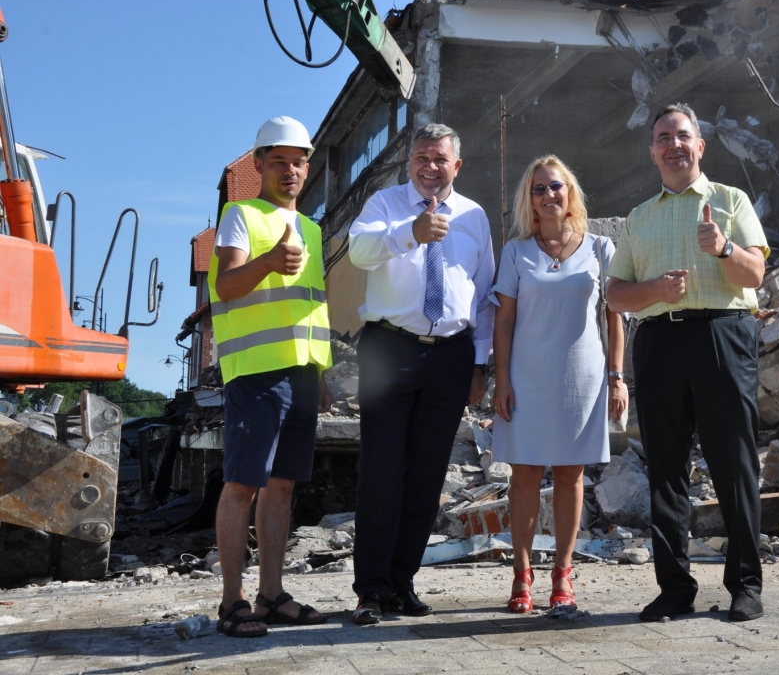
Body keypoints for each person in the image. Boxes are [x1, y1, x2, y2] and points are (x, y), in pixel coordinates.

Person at [606, 104, 768, 622]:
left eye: (682, 136)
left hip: (723, 335)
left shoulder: (730, 200)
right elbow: (615, 294)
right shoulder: (639, 217)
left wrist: (723, 248)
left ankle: (745, 585)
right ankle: (675, 589)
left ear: (700, 146)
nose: (673, 145)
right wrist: (655, 289)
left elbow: (755, 275)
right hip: (658, 342)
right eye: (663, 138)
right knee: (666, 470)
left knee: (734, 464)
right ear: (652, 152)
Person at [347, 123, 495, 625]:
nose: (430, 167)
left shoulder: (474, 216)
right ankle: (370, 589)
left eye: (439, 159)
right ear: (409, 162)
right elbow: (359, 252)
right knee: (382, 471)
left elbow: (484, 294)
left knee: (427, 475)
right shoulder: (384, 205)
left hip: (451, 355)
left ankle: (401, 582)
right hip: (389, 348)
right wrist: (410, 233)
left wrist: (479, 362)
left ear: (457, 166)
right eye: (421, 158)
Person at [209, 116, 334, 637]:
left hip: (301, 373)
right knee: (242, 485)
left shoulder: (312, 230)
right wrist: (267, 262)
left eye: (298, 162)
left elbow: (311, 306)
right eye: (279, 160)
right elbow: (226, 285)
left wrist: (319, 373)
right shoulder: (240, 215)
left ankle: (271, 595)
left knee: (281, 487)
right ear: (259, 164)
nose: (290, 170)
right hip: (256, 373)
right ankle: (231, 602)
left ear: (308, 168)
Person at [490, 155, 627, 613]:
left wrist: (617, 377)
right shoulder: (515, 252)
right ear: (529, 201)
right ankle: (521, 574)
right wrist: (501, 380)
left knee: (571, 475)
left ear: (570, 193)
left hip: (581, 377)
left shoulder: (600, 248)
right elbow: (504, 321)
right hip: (526, 378)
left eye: (555, 186)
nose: (548, 195)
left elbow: (615, 317)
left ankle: (563, 575)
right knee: (525, 474)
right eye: (539, 189)